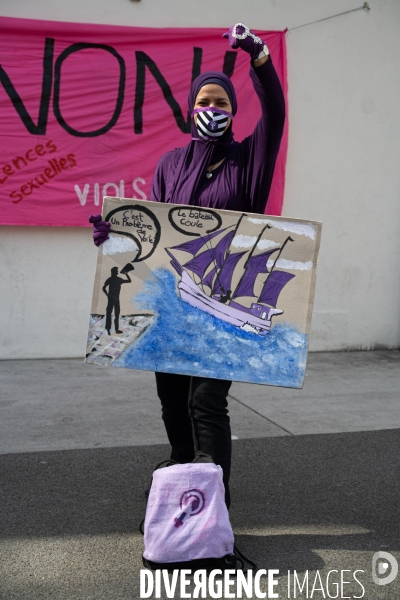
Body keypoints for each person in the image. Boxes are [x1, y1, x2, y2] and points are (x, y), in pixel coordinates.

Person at [91, 23, 285, 508]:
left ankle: (212, 497)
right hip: (173, 302)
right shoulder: (169, 164)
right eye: (205, 103)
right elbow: (155, 236)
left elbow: (276, 113)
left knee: (207, 401)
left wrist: (258, 55)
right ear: (191, 109)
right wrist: (118, 238)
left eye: (221, 103)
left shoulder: (249, 160)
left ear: (232, 112)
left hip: (226, 299)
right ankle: (180, 468)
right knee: (172, 398)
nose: (212, 110)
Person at [102, 266, 131, 335]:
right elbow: (104, 288)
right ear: (113, 272)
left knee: (115, 314)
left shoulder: (117, 279)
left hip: (115, 299)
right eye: (116, 271)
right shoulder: (115, 279)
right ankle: (110, 329)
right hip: (113, 299)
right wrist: (126, 274)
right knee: (111, 314)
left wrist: (107, 294)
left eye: (117, 271)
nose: (117, 272)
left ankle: (115, 329)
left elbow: (104, 288)